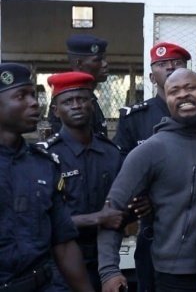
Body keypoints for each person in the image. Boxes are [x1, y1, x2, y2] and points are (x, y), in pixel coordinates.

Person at [112, 41, 196, 292]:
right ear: (152, 76)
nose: (170, 68)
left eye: (177, 63)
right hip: (154, 230)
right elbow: (124, 174)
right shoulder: (136, 117)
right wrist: (144, 196)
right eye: (162, 64)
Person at [0, 63, 94, 291]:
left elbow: (63, 242)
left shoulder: (43, 164)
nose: (34, 102)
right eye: (21, 96)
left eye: (33, 95)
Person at [38, 72, 125, 291]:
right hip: (59, 264)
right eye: (68, 101)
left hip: (104, 260)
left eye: (82, 99)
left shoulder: (112, 153)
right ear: (56, 111)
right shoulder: (45, 158)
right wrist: (97, 218)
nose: (76, 106)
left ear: (93, 105)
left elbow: (121, 209)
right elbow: (42, 220)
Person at [48, 34, 110, 136]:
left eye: (104, 59)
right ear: (79, 63)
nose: (105, 64)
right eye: (98, 60)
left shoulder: (90, 97)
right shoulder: (67, 100)